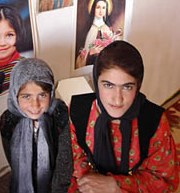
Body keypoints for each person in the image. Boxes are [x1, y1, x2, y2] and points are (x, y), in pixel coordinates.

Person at [69, 41, 179, 193]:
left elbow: (165, 181)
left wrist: (116, 185)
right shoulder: (78, 111)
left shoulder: (153, 121)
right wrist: (90, 183)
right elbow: (72, 162)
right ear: (96, 82)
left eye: (127, 87)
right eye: (108, 85)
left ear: (138, 86)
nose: (117, 99)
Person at [0, 58, 73, 193]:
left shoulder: (60, 116)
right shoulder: (8, 119)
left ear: (50, 93)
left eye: (42, 95)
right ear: (15, 95)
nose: (35, 105)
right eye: (26, 96)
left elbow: (64, 167)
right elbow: (14, 163)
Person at [75, 0, 121, 68]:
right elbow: (81, 56)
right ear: (93, 9)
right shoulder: (88, 30)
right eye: (98, 7)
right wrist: (91, 52)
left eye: (103, 8)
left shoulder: (108, 30)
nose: (101, 11)